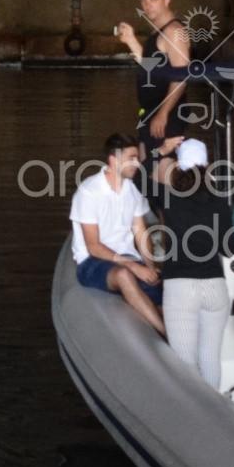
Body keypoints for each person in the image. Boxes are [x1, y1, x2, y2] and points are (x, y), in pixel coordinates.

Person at [155, 137, 234, 386]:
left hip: (181, 289)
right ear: (207, 167)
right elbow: (229, 249)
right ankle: (214, 408)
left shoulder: (168, 198)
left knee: (184, 366)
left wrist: (161, 153)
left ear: (178, 167)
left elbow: (142, 179)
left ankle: (192, 412)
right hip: (215, 287)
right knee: (210, 357)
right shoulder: (220, 201)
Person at [69, 133, 165, 336]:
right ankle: (165, 333)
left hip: (128, 258)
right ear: (113, 160)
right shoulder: (89, 191)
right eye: (132, 158)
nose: (137, 163)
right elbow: (93, 247)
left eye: (137, 158)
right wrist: (133, 266)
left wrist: (150, 267)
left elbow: (140, 232)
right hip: (92, 262)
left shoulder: (133, 190)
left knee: (162, 292)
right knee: (124, 275)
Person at [112, 0, 191, 156]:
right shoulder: (158, 33)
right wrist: (130, 40)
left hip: (167, 117)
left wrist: (163, 113)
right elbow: (153, 68)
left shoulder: (174, 31)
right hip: (151, 112)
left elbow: (182, 76)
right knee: (147, 166)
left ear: (167, 0)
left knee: (161, 167)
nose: (147, 4)